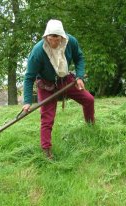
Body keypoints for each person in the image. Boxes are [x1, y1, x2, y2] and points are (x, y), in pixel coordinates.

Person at [22, 19, 95, 159]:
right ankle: (46, 150)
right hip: (46, 85)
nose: (54, 42)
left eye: (57, 39)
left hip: (65, 80)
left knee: (89, 100)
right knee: (47, 119)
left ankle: (91, 128)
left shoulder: (71, 42)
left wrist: (79, 77)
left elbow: (79, 58)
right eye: (51, 39)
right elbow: (29, 77)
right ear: (46, 37)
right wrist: (27, 101)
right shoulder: (38, 51)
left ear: (62, 36)